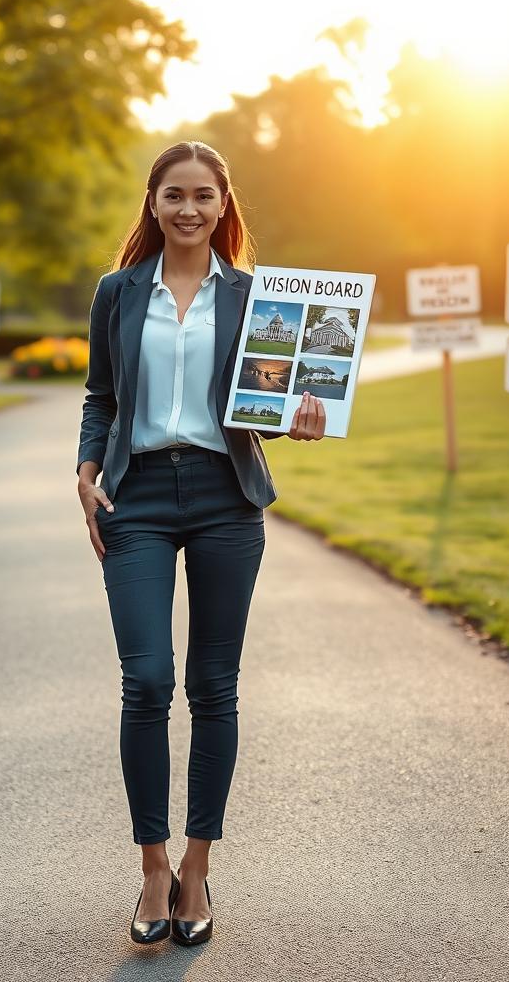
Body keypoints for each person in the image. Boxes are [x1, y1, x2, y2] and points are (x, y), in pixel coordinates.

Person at [75, 140, 326, 946]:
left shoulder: (257, 299)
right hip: (137, 498)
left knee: (213, 686)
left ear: (225, 207)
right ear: (152, 202)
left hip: (226, 498)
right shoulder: (117, 293)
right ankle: (152, 867)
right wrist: (85, 473)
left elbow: (274, 402)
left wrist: (305, 413)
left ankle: (197, 866)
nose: (189, 209)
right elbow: (100, 396)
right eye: (174, 194)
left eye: (204, 197)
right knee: (146, 680)